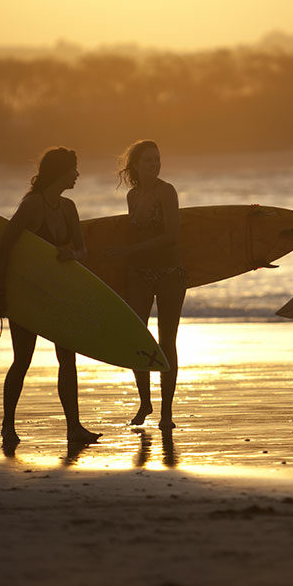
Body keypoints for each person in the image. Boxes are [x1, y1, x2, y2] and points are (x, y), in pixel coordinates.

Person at [0, 147, 101, 452]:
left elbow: (82, 252)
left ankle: (74, 428)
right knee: (22, 361)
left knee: (67, 359)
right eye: (74, 169)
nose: (78, 174)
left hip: (57, 294)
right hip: (26, 293)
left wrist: (71, 254)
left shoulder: (68, 208)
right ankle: (8, 425)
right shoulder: (31, 207)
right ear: (60, 172)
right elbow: (3, 249)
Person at [113, 140, 185, 429]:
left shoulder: (166, 192)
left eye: (157, 160)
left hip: (169, 272)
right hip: (140, 273)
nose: (154, 165)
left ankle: (167, 413)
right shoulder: (132, 196)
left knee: (167, 341)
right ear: (136, 166)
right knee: (136, 338)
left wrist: (128, 253)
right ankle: (145, 402)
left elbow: (172, 236)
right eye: (148, 161)